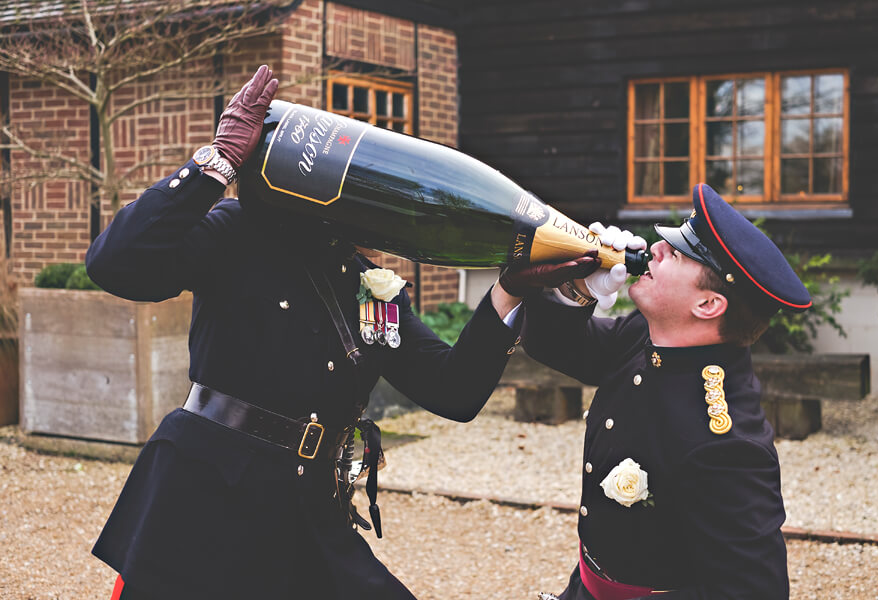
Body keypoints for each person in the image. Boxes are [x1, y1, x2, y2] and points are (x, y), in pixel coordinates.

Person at [86, 65, 588, 600]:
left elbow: (454, 391)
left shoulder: (368, 283)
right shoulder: (235, 232)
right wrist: (217, 162)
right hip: (208, 498)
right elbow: (115, 263)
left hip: (308, 507)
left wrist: (509, 290)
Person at [496, 183, 811, 599]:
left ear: (708, 306)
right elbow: (554, 345)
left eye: (677, 253)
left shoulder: (726, 443)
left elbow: (755, 591)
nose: (657, 247)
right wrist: (580, 287)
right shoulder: (648, 335)